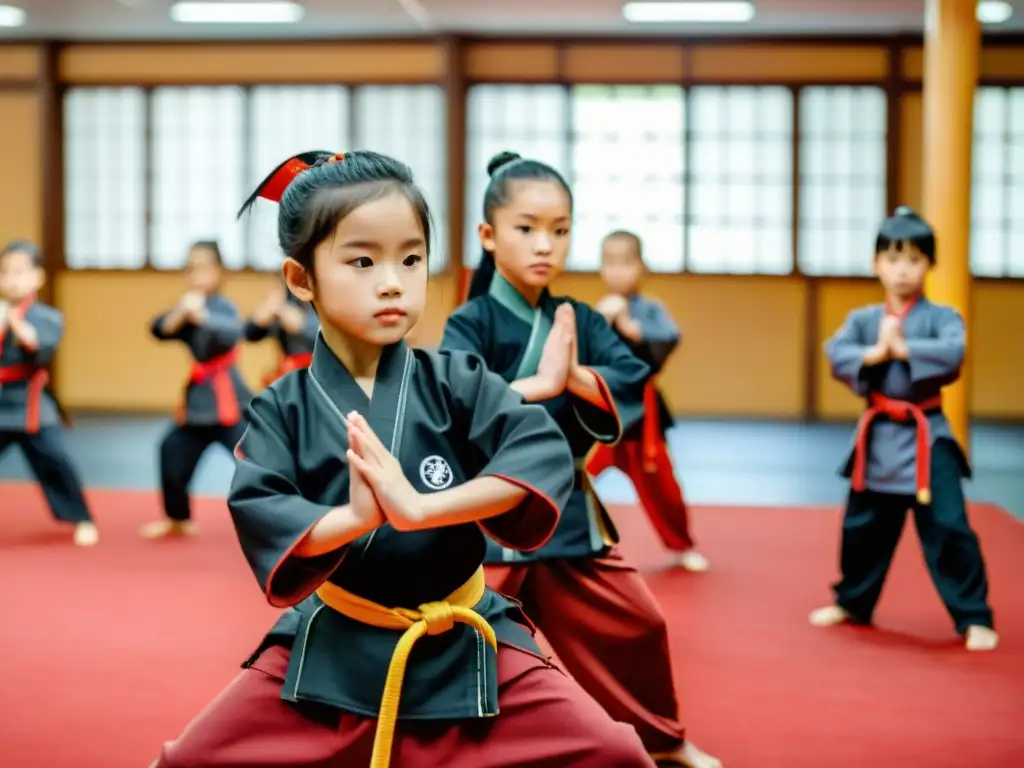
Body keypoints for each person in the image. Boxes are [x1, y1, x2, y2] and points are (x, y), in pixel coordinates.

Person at [150, 150, 656, 768]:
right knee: (185, 761)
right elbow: (263, 505)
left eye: (411, 258)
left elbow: (538, 452)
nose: (393, 280)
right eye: (362, 260)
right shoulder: (282, 406)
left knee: (615, 753)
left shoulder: (458, 380)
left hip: (463, 635)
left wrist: (423, 508)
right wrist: (358, 518)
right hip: (336, 641)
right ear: (300, 278)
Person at [441, 151, 722, 768]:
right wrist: (536, 387)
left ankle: (661, 740)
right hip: (490, 513)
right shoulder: (471, 322)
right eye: (526, 227)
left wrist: (575, 377)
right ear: (488, 235)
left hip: (566, 507)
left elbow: (630, 375)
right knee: (455, 641)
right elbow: (454, 401)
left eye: (560, 230)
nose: (546, 244)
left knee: (637, 625)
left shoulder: (581, 319)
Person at [810, 206, 998, 653]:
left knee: (950, 526)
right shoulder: (863, 319)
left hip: (928, 436)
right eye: (892, 259)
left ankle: (974, 616)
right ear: (876, 264)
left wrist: (904, 347)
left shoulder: (944, 316)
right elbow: (836, 351)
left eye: (913, 259)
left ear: (929, 265)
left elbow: (953, 353)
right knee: (862, 526)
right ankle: (853, 601)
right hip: (878, 437)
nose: (902, 270)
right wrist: (876, 354)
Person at [587, 229, 708, 572]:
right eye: (610, 262)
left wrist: (628, 324)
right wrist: (598, 322)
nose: (617, 270)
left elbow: (667, 339)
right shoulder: (598, 312)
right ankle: (565, 543)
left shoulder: (650, 310)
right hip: (604, 415)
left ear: (641, 267)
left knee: (664, 488)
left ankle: (682, 544)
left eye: (626, 262)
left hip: (642, 418)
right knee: (573, 476)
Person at [140, 240, 251, 539]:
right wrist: (181, 315)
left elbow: (232, 333)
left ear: (219, 272)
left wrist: (200, 316)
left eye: (203, 267)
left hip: (229, 400)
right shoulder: (186, 308)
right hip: (198, 403)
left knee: (256, 460)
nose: (197, 274)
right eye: (191, 268)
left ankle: (274, 520)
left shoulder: (223, 307)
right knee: (171, 450)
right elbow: (158, 329)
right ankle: (177, 518)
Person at [0, 240, 98, 546]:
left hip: (31, 401)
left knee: (55, 460)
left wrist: (12, 320)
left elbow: (39, 348)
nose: (12, 279)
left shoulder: (47, 316)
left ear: (38, 277)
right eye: (5, 272)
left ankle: (82, 518)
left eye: (20, 272)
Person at [243, 276, 318, 386]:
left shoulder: (328, 296)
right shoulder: (285, 299)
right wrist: (261, 317)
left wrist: (304, 326)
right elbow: (249, 334)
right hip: (290, 376)